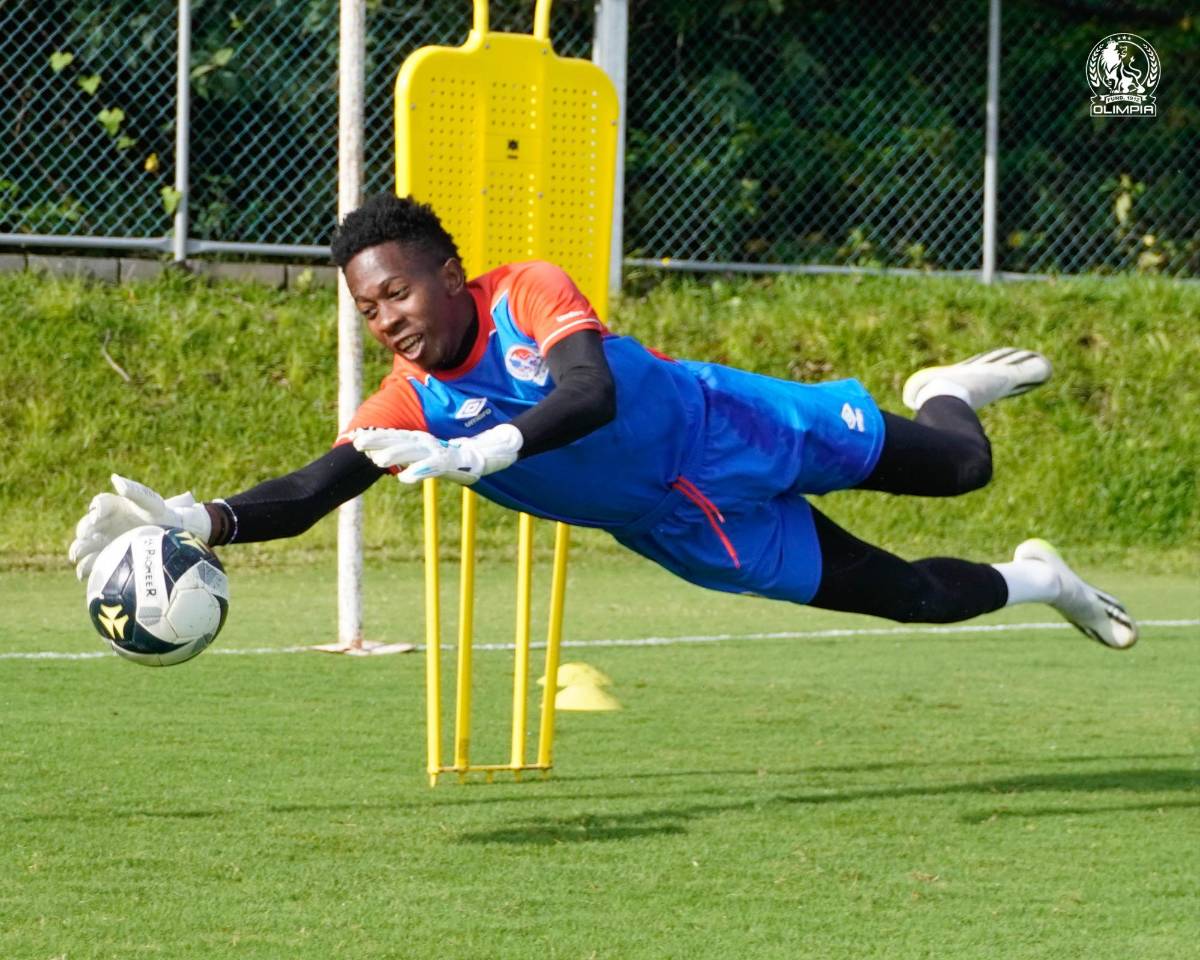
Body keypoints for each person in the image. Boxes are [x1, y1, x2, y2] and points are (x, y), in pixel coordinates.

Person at [69, 193, 1137, 649]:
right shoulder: (406, 404)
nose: (385, 318)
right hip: (689, 529)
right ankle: (1043, 580)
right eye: (366, 307)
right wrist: (203, 524)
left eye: (396, 292)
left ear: (450, 274)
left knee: (961, 468)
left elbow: (592, 392)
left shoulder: (525, 289)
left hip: (736, 425)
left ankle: (942, 383)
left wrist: (482, 447)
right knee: (909, 599)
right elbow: (310, 493)